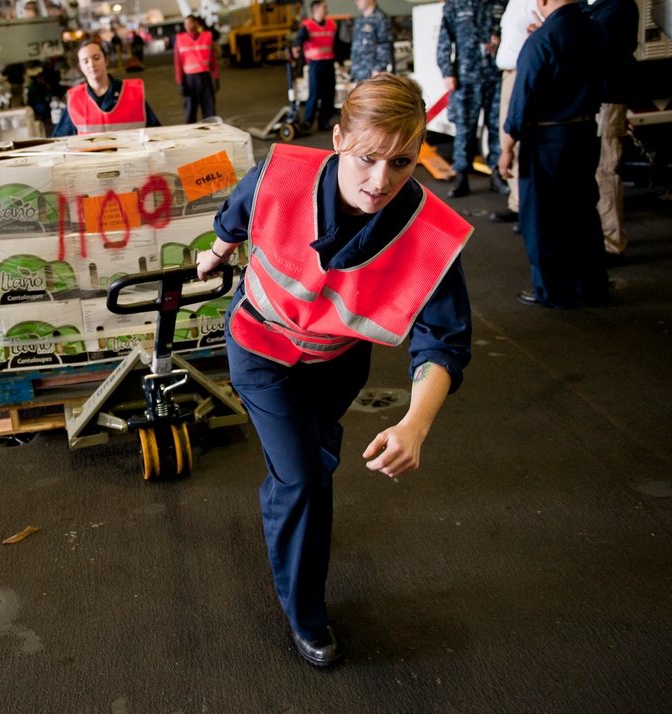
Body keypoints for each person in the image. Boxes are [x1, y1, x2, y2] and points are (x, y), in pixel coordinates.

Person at [196, 75, 473, 666]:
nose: (381, 181)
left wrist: (415, 425)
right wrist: (215, 253)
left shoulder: (429, 232)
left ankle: (295, 495)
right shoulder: (282, 174)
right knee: (302, 480)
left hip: (338, 364)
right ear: (340, 136)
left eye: (401, 162)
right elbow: (239, 211)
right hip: (261, 348)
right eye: (367, 158)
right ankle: (306, 616)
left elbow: (443, 342)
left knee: (308, 460)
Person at [499, 0, 609, 308]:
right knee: (583, 211)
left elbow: (521, 104)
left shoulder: (541, 40)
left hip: (548, 138)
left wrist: (507, 149)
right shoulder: (595, 30)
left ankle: (552, 289)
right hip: (585, 132)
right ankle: (592, 285)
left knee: (543, 217)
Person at [581, 0, 639, 256]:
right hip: (590, 98)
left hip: (608, 97)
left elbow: (593, 44)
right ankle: (597, 238)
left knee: (605, 169)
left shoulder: (620, 6)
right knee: (592, 171)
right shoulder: (587, 5)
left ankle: (612, 242)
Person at [437, 0, 507, 198]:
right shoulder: (455, 4)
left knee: (496, 127)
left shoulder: (502, 3)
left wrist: (501, 41)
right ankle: (462, 176)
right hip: (465, 77)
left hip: (496, 75)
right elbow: (444, 39)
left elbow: (512, 30)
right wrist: (447, 72)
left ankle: (497, 174)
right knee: (464, 128)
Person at [490, 0, 537, 227]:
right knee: (506, 139)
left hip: (524, 72)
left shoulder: (539, 2)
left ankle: (529, 209)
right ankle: (517, 204)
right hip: (508, 73)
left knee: (520, 142)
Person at [52, 39, 160, 137]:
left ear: (106, 60)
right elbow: (59, 141)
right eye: (85, 61)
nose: (92, 64)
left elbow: (157, 134)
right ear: (81, 67)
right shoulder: (75, 100)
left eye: (96, 58)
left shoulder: (132, 93)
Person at [293, 0, 338, 131]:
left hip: (329, 62)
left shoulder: (331, 25)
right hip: (315, 64)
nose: (327, 9)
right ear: (316, 9)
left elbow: (337, 44)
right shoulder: (308, 26)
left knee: (329, 94)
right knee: (315, 92)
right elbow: (299, 39)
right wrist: (296, 48)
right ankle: (308, 121)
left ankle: (324, 122)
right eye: (324, 7)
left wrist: (339, 62)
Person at [174, 15, 219, 123]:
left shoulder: (207, 37)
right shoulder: (180, 39)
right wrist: (180, 83)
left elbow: (213, 59)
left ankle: (212, 135)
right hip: (189, 80)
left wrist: (216, 78)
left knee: (209, 111)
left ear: (196, 24)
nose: (188, 26)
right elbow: (178, 63)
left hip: (205, 77)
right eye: (185, 24)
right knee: (190, 111)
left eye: (190, 23)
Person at [349, 0, 394, 82]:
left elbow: (385, 46)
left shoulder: (380, 19)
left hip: (372, 76)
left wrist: (378, 70)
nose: (357, 1)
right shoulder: (359, 20)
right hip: (359, 74)